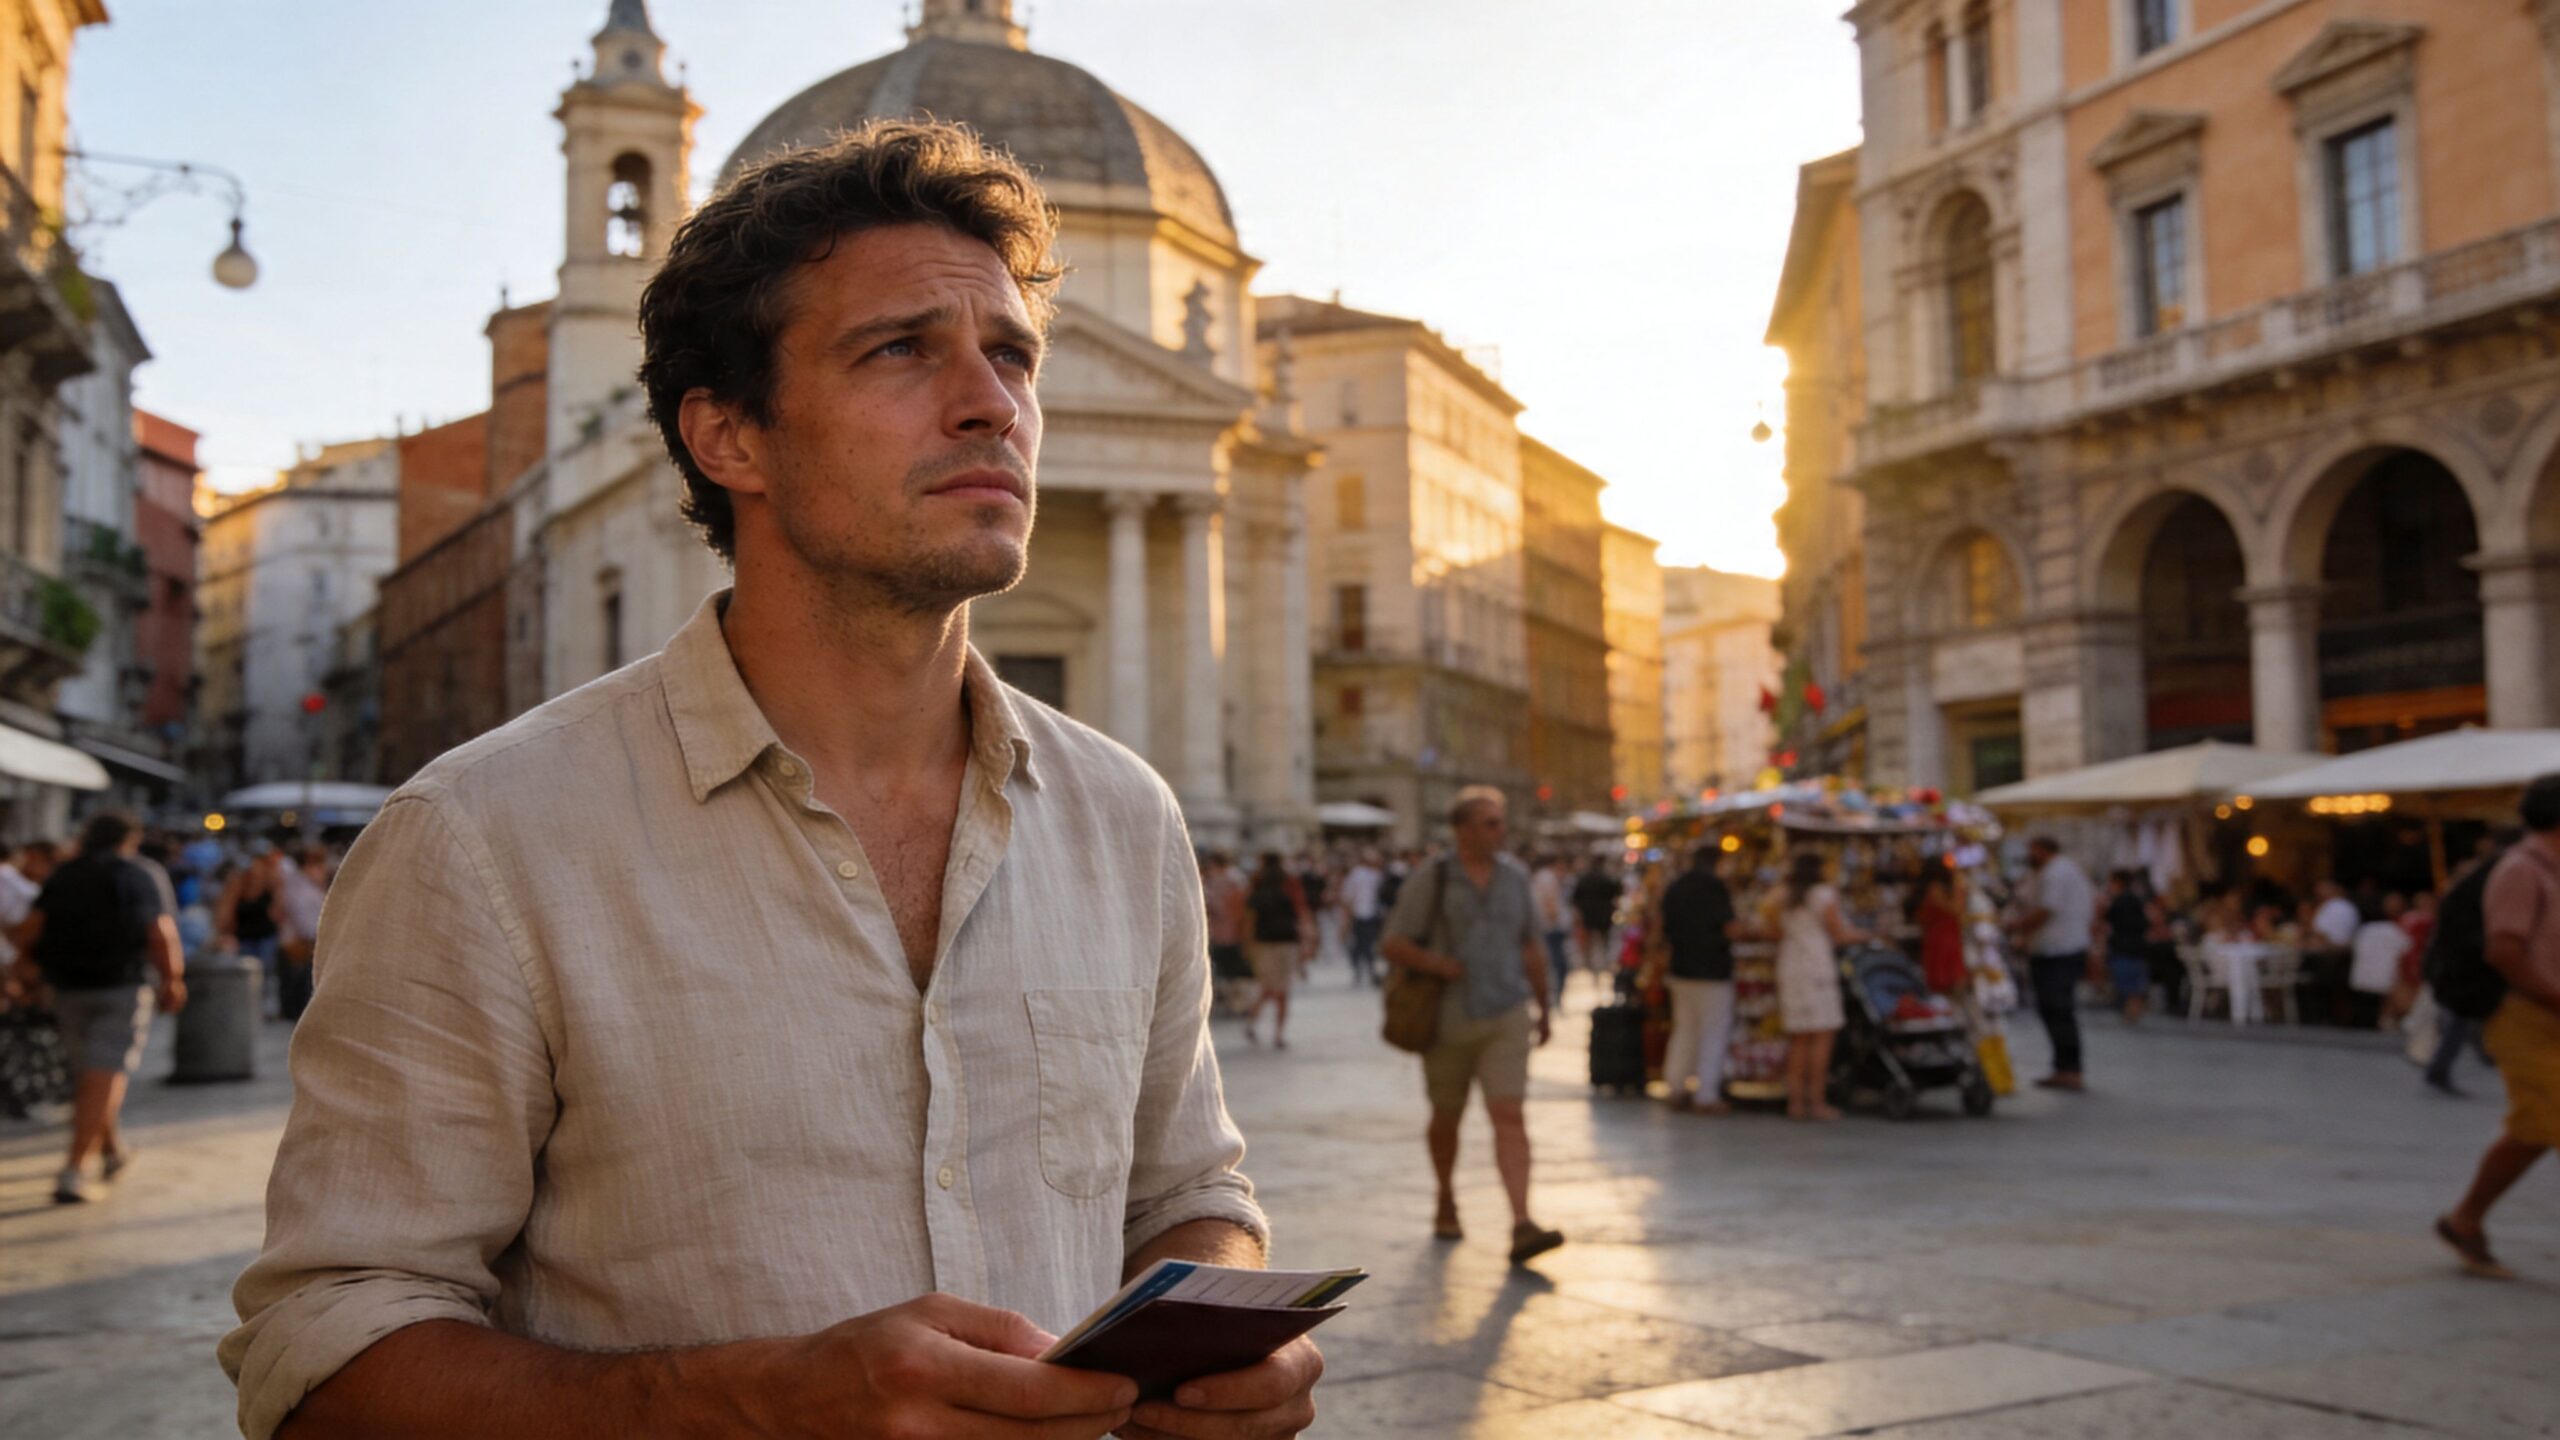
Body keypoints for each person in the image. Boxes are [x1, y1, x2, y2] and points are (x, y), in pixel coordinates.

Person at [222, 122, 1310, 1440]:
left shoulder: (1126, 816)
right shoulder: (481, 839)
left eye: (1012, 353)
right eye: (902, 348)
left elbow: (1191, 1193)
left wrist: (1218, 1339)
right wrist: (757, 1401)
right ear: (728, 435)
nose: (993, 402)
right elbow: (324, 1351)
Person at [1380, 786, 1562, 1264]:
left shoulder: (1516, 878)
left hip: (1506, 1012)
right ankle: (1445, 1195)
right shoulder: (1432, 878)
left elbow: (1531, 946)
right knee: (1447, 1117)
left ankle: (1521, 1222)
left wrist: (1545, 1007)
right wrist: (1436, 964)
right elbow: (1393, 942)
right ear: (1462, 829)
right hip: (1448, 1020)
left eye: (1499, 821)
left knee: (1509, 1114)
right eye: (1488, 822)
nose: (1499, 830)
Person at [5, 812, 184, 1204]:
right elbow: (160, 932)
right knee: (103, 1075)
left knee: (91, 1076)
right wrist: (172, 979)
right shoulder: (138, 874)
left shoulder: (65, 875)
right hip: (120, 987)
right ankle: (73, 1169)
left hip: (67, 990)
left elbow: (31, 929)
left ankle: (112, 1150)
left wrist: (19, 968)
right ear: (129, 840)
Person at [2436, 773, 2560, 1281]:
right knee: (2544, 1116)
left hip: (2548, 1012)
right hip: (2522, 1014)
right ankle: (2465, 1218)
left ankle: (2465, 1219)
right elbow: (2503, 950)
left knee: (2533, 1126)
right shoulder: (2520, 869)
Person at [1775, 851, 1864, 1122]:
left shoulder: (1784, 895)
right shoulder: (1824, 895)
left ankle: (1796, 1102)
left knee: (1798, 1037)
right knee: (1821, 1035)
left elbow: (1773, 928)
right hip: (1816, 965)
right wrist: (1867, 935)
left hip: (1790, 964)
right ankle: (1817, 1101)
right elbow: (1838, 933)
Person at [1655, 844, 1740, 1115]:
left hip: (1681, 968)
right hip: (1711, 969)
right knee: (1712, 1031)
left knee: (1685, 1029)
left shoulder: (1676, 886)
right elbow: (1729, 927)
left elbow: (1661, 927)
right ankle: (1706, 1094)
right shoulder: (1714, 888)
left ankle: (1676, 1086)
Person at [2013, 836, 2096, 1090]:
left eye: (2031, 850)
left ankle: (2070, 1068)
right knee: (2054, 1010)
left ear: (2041, 850)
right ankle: (2064, 1066)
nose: (2029, 855)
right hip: (2058, 948)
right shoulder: (2059, 871)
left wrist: (2015, 928)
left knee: (2058, 1008)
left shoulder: (2056, 873)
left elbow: (2045, 910)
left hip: (2059, 951)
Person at [1243, 851, 1309, 1048]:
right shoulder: (1290, 883)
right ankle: (1277, 1033)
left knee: (1269, 988)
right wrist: (1306, 943)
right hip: (1287, 942)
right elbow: (1301, 913)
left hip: (1264, 943)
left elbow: (1250, 916)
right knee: (1281, 990)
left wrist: (1247, 943)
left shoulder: (1257, 882)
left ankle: (1254, 1022)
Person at [217, 841, 289, 1020]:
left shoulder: (272, 882)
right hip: (244, 936)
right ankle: (246, 1005)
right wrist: (224, 934)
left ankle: (262, 1008)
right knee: (244, 974)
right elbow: (226, 911)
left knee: (266, 973)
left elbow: (279, 911)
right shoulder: (238, 883)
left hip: (266, 935)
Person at [2350, 893, 2413, 1031]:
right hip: (2384, 982)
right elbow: (2407, 951)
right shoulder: (2395, 931)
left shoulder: (2366, 929)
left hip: (2363, 981)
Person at [2102, 870, 2152, 1025]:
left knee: (2129, 984)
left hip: (2125, 948)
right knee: (2133, 983)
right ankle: (2132, 1013)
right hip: (2133, 947)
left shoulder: (2121, 901)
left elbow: (2112, 920)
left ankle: (2131, 1013)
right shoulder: (2134, 900)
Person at [1914, 866, 1967, 996]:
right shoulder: (1938, 889)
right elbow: (1955, 910)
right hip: (1943, 937)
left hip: (1943, 937)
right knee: (1948, 976)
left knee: (1947, 975)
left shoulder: (1934, 889)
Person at [1569, 858, 1621, 990]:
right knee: (1603, 942)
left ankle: (1590, 967)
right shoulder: (1606, 878)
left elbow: (1574, 898)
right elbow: (1617, 892)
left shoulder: (1584, 879)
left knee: (1590, 944)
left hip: (1589, 916)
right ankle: (1603, 966)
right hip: (1603, 915)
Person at [1340, 849, 1386, 987]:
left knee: (1362, 945)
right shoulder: (1364, 875)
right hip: (1363, 914)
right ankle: (1363, 971)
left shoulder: (1373, 876)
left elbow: (1347, 897)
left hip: (1366, 914)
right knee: (1364, 945)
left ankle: (1363, 971)